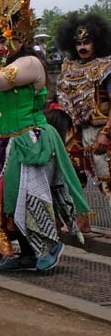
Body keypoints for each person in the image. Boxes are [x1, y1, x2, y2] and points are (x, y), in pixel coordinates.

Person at [0, 0, 90, 271]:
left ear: (20, 38)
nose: (0, 47)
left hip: (29, 141)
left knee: (29, 198)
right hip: (4, 143)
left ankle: (50, 246)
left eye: (4, 41)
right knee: (5, 202)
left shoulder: (30, 63)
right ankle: (25, 252)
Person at [56, 13, 111, 214]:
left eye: (87, 42)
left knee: (107, 178)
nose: (82, 47)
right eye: (78, 43)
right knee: (72, 175)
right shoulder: (69, 68)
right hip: (76, 131)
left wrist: (106, 133)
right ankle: (82, 220)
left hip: (101, 131)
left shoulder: (106, 66)